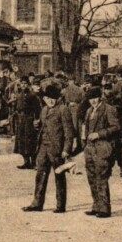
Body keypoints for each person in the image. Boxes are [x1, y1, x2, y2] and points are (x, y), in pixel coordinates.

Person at [22, 84, 75, 214]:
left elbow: (69, 132)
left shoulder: (63, 109)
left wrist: (66, 150)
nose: (50, 101)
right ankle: (37, 203)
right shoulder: (44, 110)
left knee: (59, 176)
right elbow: (42, 127)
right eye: (47, 98)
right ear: (44, 99)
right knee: (40, 175)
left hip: (57, 149)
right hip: (43, 148)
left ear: (57, 98)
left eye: (53, 98)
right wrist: (37, 126)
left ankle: (60, 205)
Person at [83, 86, 120, 218]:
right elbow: (86, 128)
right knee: (91, 177)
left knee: (101, 177)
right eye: (90, 99)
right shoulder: (89, 111)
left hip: (103, 148)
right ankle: (96, 205)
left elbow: (116, 127)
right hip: (90, 149)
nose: (93, 101)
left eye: (95, 98)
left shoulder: (109, 109)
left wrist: (99, 134)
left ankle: (104, 208)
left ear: (100, 97)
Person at [103, 83, 122, 177]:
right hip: (107, 128)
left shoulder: (117, 100)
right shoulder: (101, 100)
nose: (108, 91)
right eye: (106, 89)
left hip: (118, 129)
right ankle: (108, 169)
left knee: (120, 151)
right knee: (108, 150)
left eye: (109, 89)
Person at [14, 77, 41, 169]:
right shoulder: (18, 95)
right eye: (22, 84)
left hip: (29, 120)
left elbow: (37, 109)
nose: (23, 85)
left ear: (28, 85)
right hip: (21, 120)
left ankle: (33, 163)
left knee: (30, 140)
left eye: (25, 83)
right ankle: (26, 162)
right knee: (21, 141)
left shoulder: (32, 95)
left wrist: (36, 119)